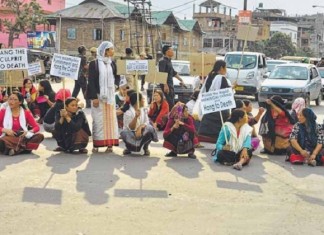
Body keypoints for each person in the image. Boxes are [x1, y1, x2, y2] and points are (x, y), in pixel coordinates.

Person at [87, 41, 120, 153]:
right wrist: (94, 97)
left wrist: (115, 85)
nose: (113, 51)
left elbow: (117, 76)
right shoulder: (94, 64)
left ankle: (109, 144)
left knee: (110, 120)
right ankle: (96, 144)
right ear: (105, 51)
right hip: (98, 96)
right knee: (98, 120)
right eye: (111, 49)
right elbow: (90, 81)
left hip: (110, 97)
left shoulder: (112, 63)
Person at [194, 60, 231, 143]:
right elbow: (225, 93)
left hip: (208, 103)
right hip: (218, 105)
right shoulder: (221, 78)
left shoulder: (210, 75)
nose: (226, 70)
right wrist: (232, 88)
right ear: (221, 68)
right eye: (226, 67)